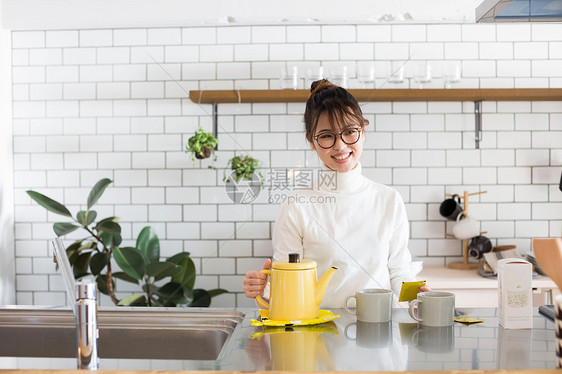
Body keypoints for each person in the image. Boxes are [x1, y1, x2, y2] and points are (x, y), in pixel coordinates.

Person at [243, 79, 430, 308]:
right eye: (326, 136)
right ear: (312, 141)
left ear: (363, 131)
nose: (340, 146)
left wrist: (418, 297)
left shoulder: (389, 200)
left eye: (350, 132)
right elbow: (285, 287)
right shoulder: (297, 205)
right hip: (319, 336)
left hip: (380, 332)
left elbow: (399, 271)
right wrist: (264, 292)